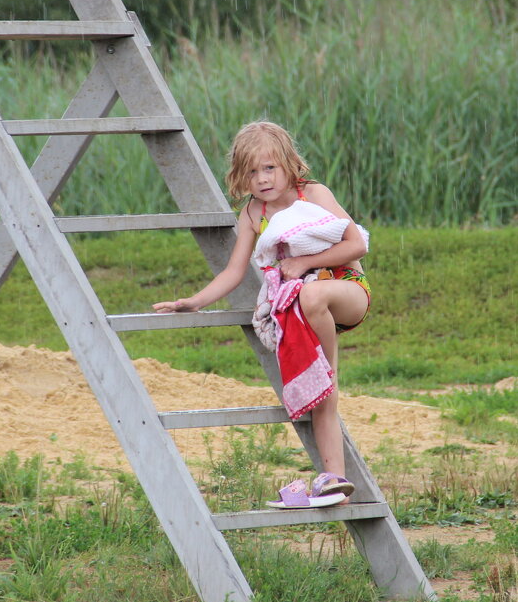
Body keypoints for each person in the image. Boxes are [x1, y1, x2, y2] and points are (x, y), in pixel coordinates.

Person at [153, 120, 370, 505]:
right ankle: (335, 481)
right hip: (307, 307)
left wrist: (304, 262)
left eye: (269, 168)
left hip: (346, 291)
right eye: (251, 171)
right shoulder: (254, 213)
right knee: (325, 395)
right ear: (241, 175)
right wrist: (195, 301)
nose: (262, 179)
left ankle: (323, 368)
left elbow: (356, 245)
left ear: (289, 164)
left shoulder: (313, 193)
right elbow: (235, 272)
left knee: (313, 297)